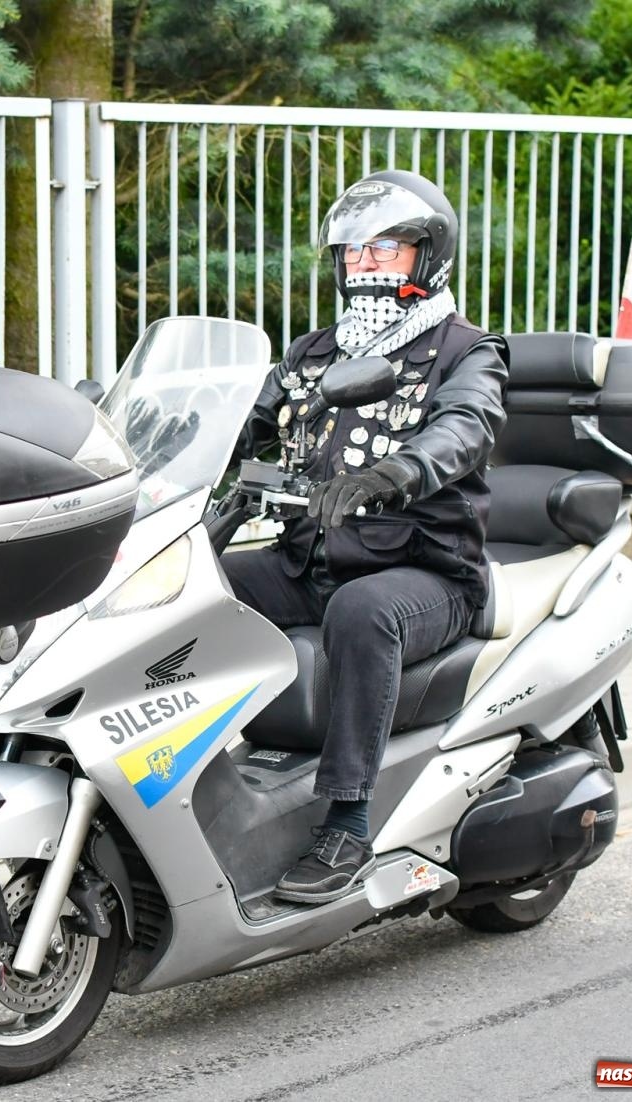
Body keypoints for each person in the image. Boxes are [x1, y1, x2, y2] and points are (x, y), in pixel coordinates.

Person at [222, 170, 509, 904]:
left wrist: (395, 475)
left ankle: (349, 822)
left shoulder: (464, 350)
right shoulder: (313, 354)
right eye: (355, 252)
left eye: (388, 249)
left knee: (362, 613)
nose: (368, 264)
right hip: (307, 558)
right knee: (201, 581)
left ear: (428, 256)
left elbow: (466, 426)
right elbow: (239, 425)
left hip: (426, 574)